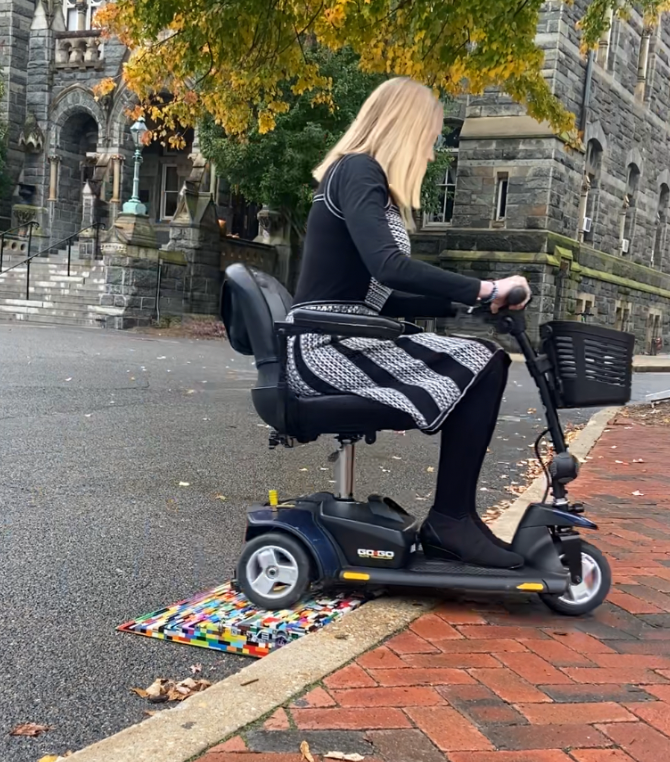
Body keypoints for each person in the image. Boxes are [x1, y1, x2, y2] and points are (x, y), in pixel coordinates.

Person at [287, 77, 530, 569]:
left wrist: (466, 306)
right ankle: (451, 520)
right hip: (326, 345)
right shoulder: (359, 170)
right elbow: (388, 268)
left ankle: (456, 517)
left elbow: (380, 293)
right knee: (484, 364)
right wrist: (483, 288)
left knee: (482, 360)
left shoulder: (360, 179)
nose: (432, 149)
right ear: (407, 127)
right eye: (431, 135)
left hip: (346, 333)